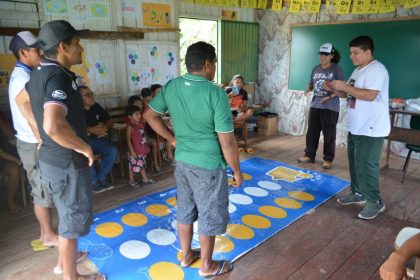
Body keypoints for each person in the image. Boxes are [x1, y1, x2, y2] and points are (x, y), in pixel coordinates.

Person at [143, 41, 243, 278]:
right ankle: (207, 265)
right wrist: (237, 171)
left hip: (183, 161)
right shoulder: (215, 93)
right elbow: (227, 141)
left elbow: (149, 115)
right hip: (208, 164)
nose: (215, 68)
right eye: (215, 63)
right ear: (208, 64)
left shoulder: (172, 86)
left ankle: (187, 254)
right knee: (209, 212)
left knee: (185, 208)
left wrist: (171, 138)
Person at [27, 20, 105, 280]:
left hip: (52, 160)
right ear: (62, 47)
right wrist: (84, 147)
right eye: (76, 43)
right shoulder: (57, 76)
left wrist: (40, 134)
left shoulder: (38, 72)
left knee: (66, 216)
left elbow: (23, 102)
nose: (81, 47)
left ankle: (63, 265)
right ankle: (72, 277)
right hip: (67, 163)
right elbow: (53, 124)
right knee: (71, 224)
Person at [326, 35, 390, 220]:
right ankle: (358, 193)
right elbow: (349, 95)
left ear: (367, 52)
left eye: (356, 53)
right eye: (351, 53)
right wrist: (335, 89)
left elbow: (370, 95)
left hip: (372, 127)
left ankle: (375, 201)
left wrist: (344, 86)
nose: (352, 57)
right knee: (355, 162)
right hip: (356, 126)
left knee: (367, 165)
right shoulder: (357, 71)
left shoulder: (377, 70)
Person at [7, 30, 58, 243]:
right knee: (41, 189)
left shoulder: (28, 73)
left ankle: (49, 232)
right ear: (23, 52)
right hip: (32, 142)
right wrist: (42, 141)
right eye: (36, 49)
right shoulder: (23, 78)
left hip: (34, 140)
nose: (41, 52)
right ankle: (47, 235)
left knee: (45, 187)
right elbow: (30, 115)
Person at [297, 43, 345, 169]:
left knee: (329, 134)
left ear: (332, 56)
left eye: (325, 55)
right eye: (321, 54)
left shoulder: (337, 69)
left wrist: (328, 96)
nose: (322, 57)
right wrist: (307, 89)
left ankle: (328, 159)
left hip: (330, 107)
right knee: (312, 132)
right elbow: (311, 84)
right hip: (315, 105)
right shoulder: (315, 68)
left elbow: (342, 89)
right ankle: (309, 155)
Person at [81, 85, 117, 193]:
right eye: (87, 95)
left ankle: (101, 176)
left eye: (92, 94)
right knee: (86, 153)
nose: (92, 97)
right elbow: (71, 128)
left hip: (98, 140)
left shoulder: (96, 106)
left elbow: (109, 120)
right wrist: (91, 129)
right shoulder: (75, 110)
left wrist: (104, 128)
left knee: (113, 150)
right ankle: (93, 181)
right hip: (83, 142)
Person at [125, 105, 155, 188]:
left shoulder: (141, 124)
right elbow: (128, 140)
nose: (139, 115)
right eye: (136, 114)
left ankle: (145, 178)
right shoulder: (130, 127)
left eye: (139, 113)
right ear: (130, 117)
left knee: (142, 164)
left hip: (142, 149)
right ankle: (131, 180)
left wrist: (147, 146)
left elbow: (143, 136)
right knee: (132, 166)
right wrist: (132, 151)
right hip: (135, 151)